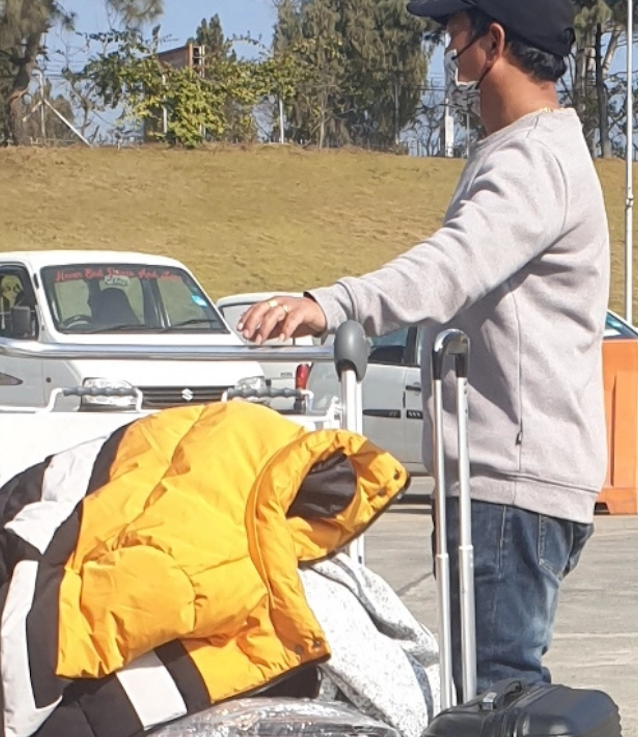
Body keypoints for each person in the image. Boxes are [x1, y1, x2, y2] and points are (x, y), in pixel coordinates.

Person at [238, 0, 607, 690]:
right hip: (504, 479)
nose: (448, 48)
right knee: (479, 695)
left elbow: (447, 268)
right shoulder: (526, 151)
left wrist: (333, 304)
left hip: (513, 481)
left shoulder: (533, 160)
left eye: (454, 32)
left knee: (495, 698)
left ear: (494, 41)